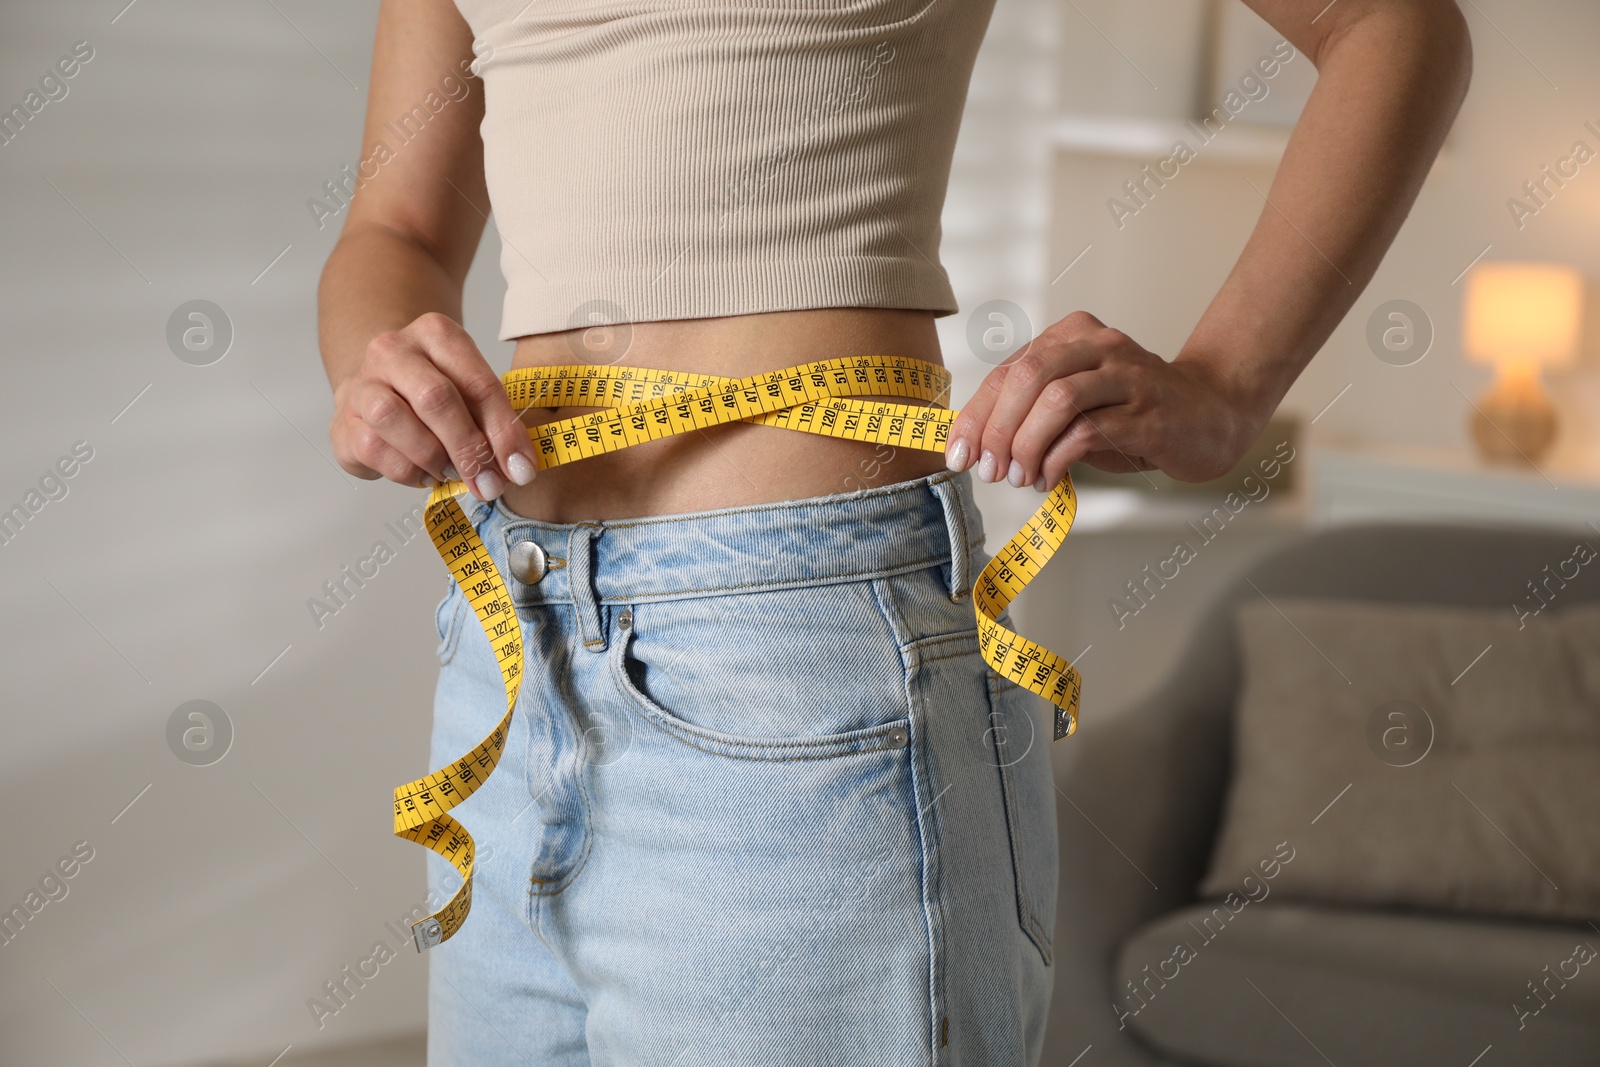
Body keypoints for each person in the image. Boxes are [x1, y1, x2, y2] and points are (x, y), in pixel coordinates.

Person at [317, 0, 1471, 1062]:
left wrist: (1226, 384)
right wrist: (370, 364)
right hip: (508, 650)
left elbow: (1387, 25)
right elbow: (398, 224)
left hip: (796, 650)